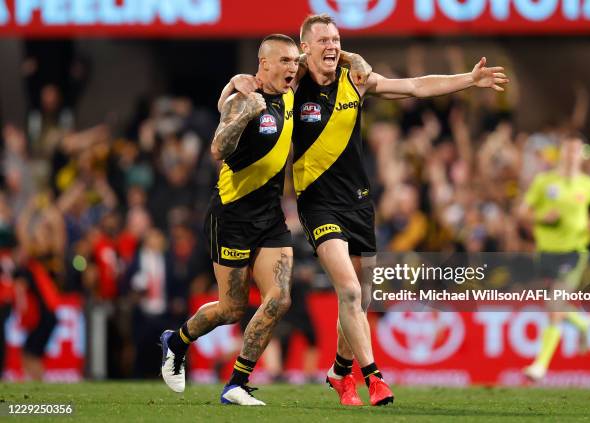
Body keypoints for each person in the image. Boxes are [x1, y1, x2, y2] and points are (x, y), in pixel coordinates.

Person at [222, 13, 509, 406]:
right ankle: (374, 378)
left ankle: (340, 371)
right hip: (318, 205)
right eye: (322, 39)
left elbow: (415, 87)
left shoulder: (355, 81)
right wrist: (234, 84)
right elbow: (249, 83)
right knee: (351, 289)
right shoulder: (293, 82)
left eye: (336, 38)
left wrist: (468, 80)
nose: (331, 45)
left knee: (364, 293)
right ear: (304, 48)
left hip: (358, 202)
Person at [160, 34, 300, 406]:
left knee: (280, 298)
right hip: (233, 215)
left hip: (270, 217)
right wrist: (244, 109)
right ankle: (176, 341)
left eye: (295, 60)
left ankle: (236, 383)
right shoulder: (244, 100)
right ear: (264, 64)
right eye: (284, 60)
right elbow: (218, 148)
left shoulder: (290, 90)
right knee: (232, 308)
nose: (292, 67)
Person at [520, 133, 590, 381]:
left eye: (576, 151)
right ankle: (582, 323)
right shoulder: (544, 181)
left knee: (555, 306)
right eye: (567, 150)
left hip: (574, 250)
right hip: (546, 252)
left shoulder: (588, 184)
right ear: (561, 153)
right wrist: (540, 218)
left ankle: (540, 366)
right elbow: (522, 212)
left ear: (581, 155)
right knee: (553, 304)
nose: (571, 156)